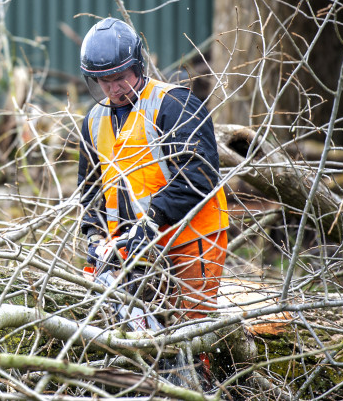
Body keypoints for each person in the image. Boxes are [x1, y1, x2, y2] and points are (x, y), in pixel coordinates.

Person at [77, 17, 229, 325]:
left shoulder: (172, 104)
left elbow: (199, 175)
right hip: (133, 246)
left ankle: (199, 373)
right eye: (103, 80)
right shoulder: (93, 120)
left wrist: (152, 221)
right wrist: (94, 235)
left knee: (191, 328)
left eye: (120, 76)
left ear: (137, 66)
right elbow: (90, 188)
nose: (113, 87)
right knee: (134, 330)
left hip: (190, 237)